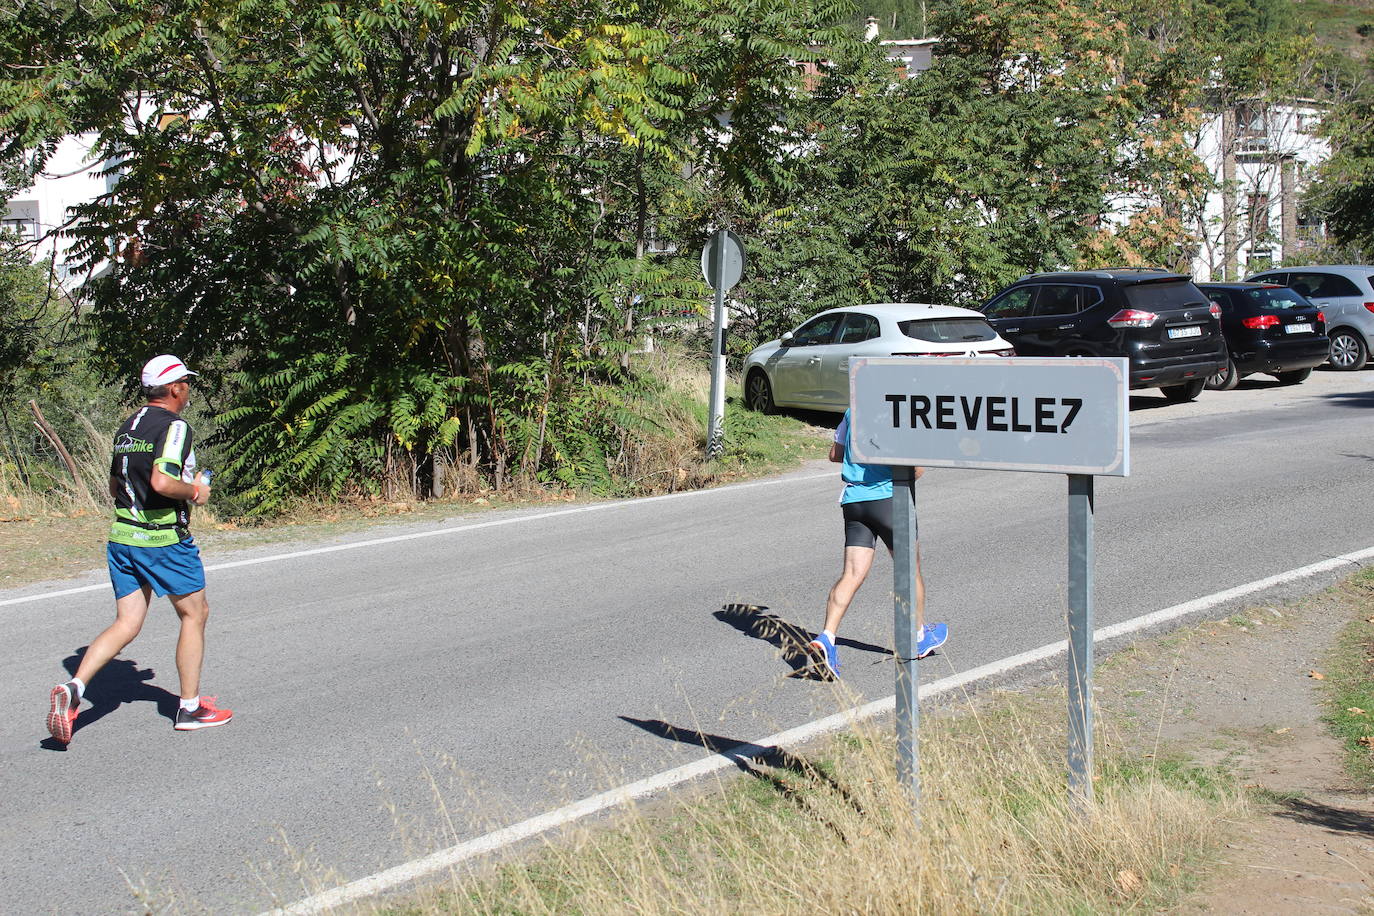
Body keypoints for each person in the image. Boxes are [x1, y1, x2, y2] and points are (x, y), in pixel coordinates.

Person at [46, 355, 233, 743]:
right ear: (176, 388)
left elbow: (115, 487)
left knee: (127, 623)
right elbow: (163, 483)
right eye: (186, 384)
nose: (188, 390)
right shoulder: (176, 426)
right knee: (194, 614)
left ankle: (76, 687)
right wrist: (197, 491)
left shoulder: (129, 425)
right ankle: (190, 708)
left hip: (122, 537)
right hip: (162, 540)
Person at [807, 408, 947, 678]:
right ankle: (918, 635)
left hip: (854, 501)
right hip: (889, 499)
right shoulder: (898, 412)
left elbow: (835, 454)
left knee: (851, 574)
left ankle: (827, 637)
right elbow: (916, 471)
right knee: (909, 570)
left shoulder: (851, 412)